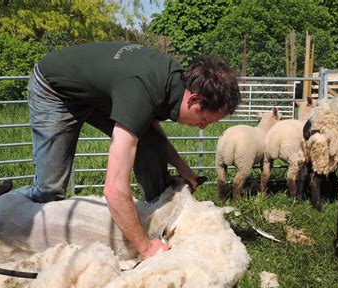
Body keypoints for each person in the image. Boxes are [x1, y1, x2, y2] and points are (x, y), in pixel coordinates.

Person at [18, 41, 241, 259]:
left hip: (99, 92)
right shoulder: (142, 91)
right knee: (50, 189)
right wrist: (145, 249)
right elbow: (113, 189)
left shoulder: (174, 83)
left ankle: (157, 217)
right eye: (205, 119)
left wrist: (183, 169)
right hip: (55, 90)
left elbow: (151, 131)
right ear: (194, 99)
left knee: (151, 144)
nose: (203, 127)